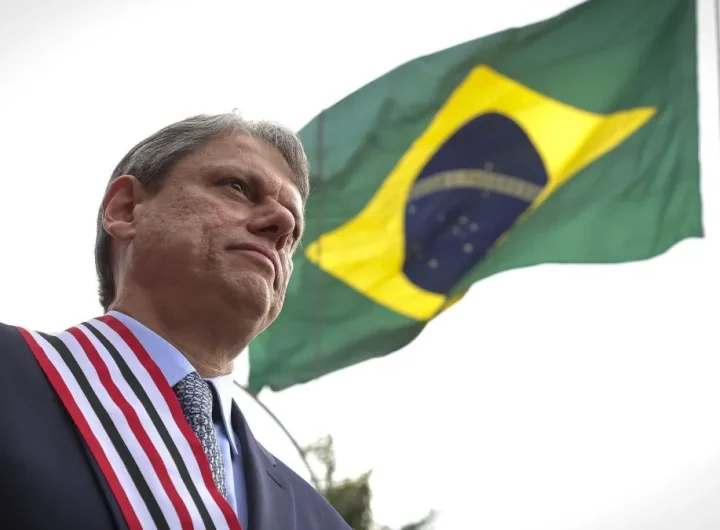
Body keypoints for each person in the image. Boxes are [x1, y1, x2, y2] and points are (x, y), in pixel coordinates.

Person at [0, 113, 350, 530]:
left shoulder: (320, 520)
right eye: (238, 187)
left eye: (292, 236)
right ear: (126, 209)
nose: (283, 224)